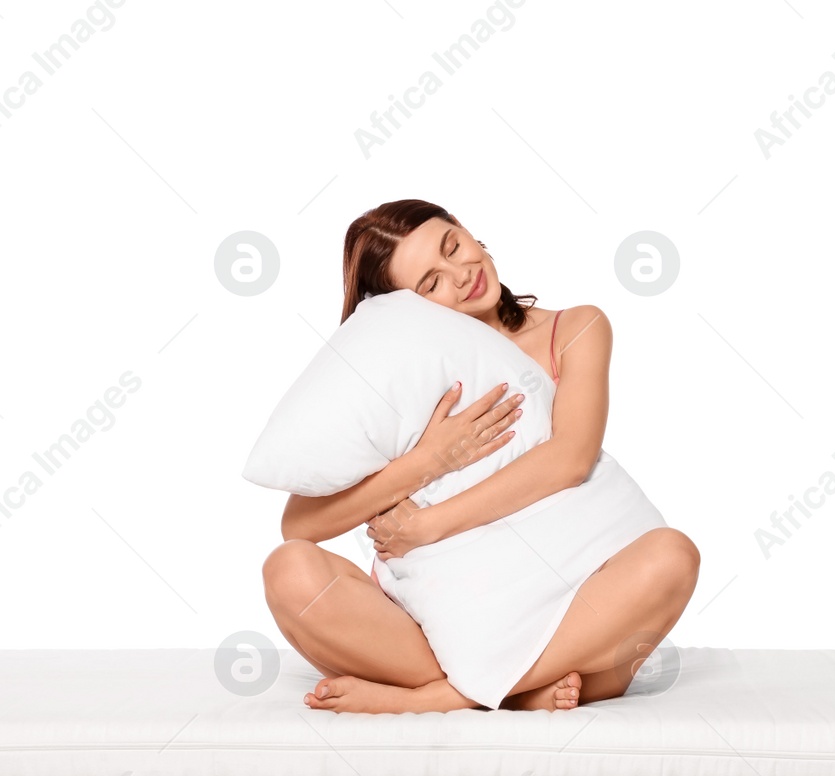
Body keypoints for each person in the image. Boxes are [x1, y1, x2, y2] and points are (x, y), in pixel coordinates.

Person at [260, 198, 699, 713]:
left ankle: (444, 696)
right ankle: (517, 689)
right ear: (407, 308)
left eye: (453, 246)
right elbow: (300, 527)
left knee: (672, 557)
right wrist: (429, 461)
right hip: (439, 619)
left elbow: (571, 458)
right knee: (289, 572)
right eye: (430, 283)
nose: (461, 273)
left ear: (467, 230)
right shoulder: (402, 370)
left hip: (570, 605)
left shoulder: (576, 328)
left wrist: (430, 525)